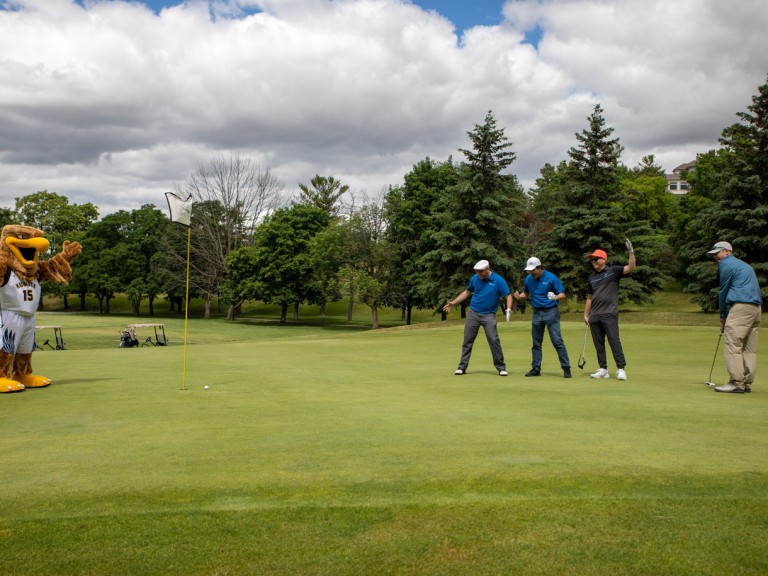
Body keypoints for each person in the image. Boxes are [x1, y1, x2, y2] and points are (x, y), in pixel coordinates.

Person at [707, 241, 762, 394]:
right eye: (714, 256)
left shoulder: (726, 264)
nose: (716, 258)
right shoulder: (744, 265)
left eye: (717, 254)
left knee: (733, 344)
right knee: (750, 348)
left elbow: (723, 291)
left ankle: (736, 383)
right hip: (756, 308)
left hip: (741, 307)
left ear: (726, 251)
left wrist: (723, 316)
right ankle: (747, 382)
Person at [443, 260, 513, 376]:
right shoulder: (475, 278)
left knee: (493, 340)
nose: (479, 274)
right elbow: (467, 292)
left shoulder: (498, 280)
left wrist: (508, 308)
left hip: (489, 315)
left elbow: (508, 295)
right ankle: (462, 367)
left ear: (487, 268)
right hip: (473, 313)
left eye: (481, 271)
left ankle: (501, 367)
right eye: (477, 271)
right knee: (467, 340)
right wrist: (454, 302)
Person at [583, 239, 636, 380]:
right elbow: (589, 297)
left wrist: (631, 252)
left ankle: (621, 368)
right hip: (595, 315)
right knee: (598, 343)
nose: (593, 261)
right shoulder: (591, 277)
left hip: (609, 313)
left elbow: (630, 268)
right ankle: (603, 369)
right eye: (592, 260)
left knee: (614, 340)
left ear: (603, 260)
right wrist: (586, 314)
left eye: (595, 259)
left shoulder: (613, 271)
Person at [513, 257, 572, 378]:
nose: (530, 273)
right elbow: (526, 293)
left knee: (557, 340)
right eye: (529, 271)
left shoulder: (551, 278)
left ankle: (566, 368)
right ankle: (536, 368)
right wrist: (519, 296)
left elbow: (562, 294)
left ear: (539, 268)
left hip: (551, 312)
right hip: (537, 313)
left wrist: (555, 297)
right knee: (536, 342)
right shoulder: (529, 279)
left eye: (532, 270)